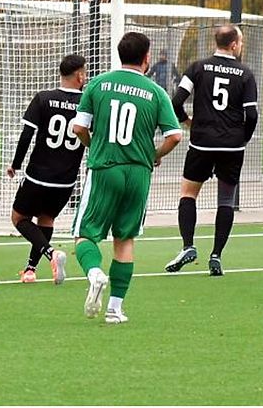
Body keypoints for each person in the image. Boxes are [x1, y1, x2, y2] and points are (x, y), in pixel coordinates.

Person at [71, 32, 182, 324]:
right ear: (146, 57)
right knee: (125, 239)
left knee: (85, 234)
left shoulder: (97, 84)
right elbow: (175, 135)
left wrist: (94, 146)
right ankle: (115, 309)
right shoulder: (156, 92)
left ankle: (95, 273)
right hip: (138, 173)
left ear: (120, 54)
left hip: (105, 167)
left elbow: (79, 128)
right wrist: (154, 154)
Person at [164, 25, 259, 277]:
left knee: (188, 194)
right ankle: (216, 255)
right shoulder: (245, 74)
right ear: (234, 45)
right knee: (226, 201)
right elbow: (251, 114)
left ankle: (188, 246)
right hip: (232, 146)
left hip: (202, 143)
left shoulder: (198, 67)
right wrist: (242, 139)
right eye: (241, 42)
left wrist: (187, 121)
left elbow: (175, 101)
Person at [6, 54, 87, 284]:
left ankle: (51, 254)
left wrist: (16, 164)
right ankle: (30, 269)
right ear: (80, 76)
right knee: (47, 218)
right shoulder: (87, 103)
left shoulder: (44, 98)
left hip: (38, 176)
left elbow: (27, 134)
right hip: (66, 180)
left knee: (19, 218)